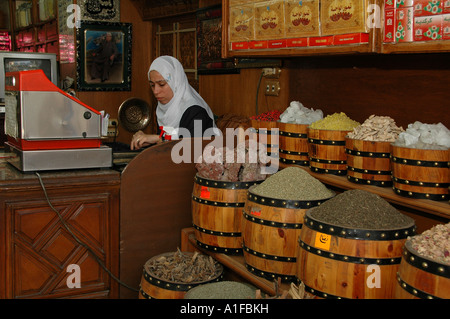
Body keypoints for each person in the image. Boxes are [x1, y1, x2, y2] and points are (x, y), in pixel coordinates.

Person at [130, 55, 216, 150]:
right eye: (152, 85)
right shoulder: (163, 108)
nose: (155, 91)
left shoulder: (195, 111)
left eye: (161, 84)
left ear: (176, 83)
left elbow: (192, 150)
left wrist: (157, 139)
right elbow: (168, 144)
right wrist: (147, 141)